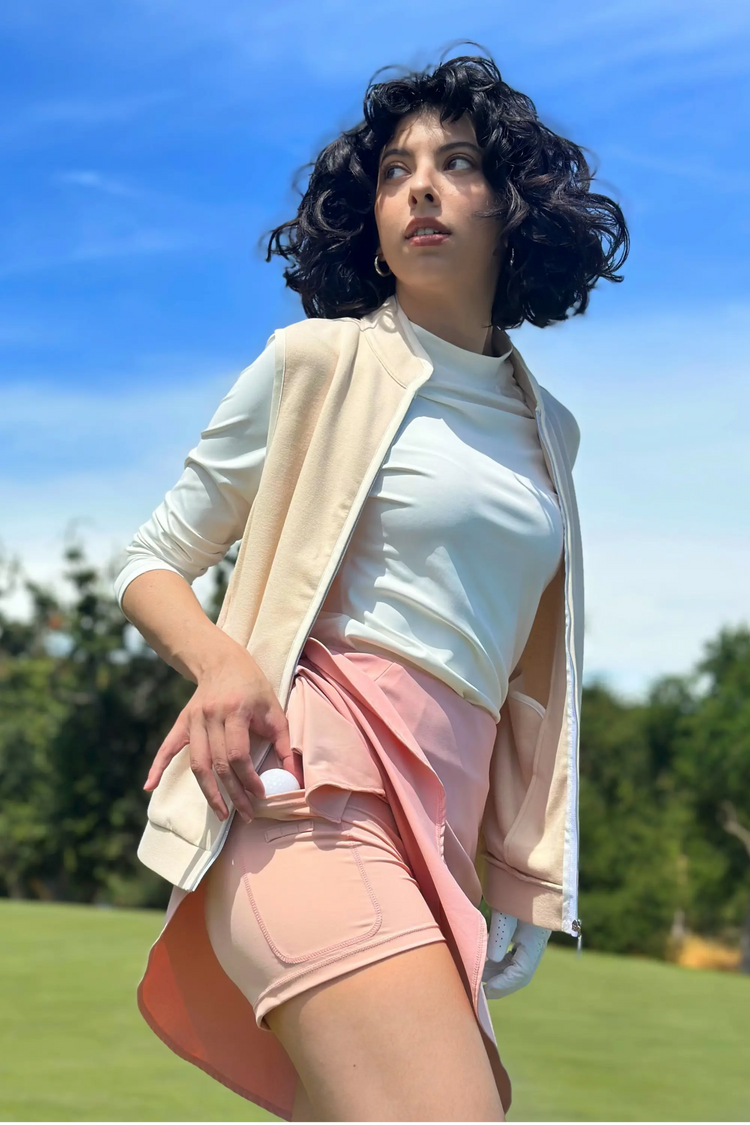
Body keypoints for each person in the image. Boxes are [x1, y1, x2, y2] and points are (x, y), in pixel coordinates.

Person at [115, 48, 628, 1125]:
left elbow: (526, 675)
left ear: (515, 205)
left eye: (458, 164)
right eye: (396, 171)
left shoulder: (551, 432)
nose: (422, 189)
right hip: (304, 794)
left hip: (442, 824)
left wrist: (523, 873)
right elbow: (151, 559)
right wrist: (220, 663)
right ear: (372, 213)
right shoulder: (315, 364)